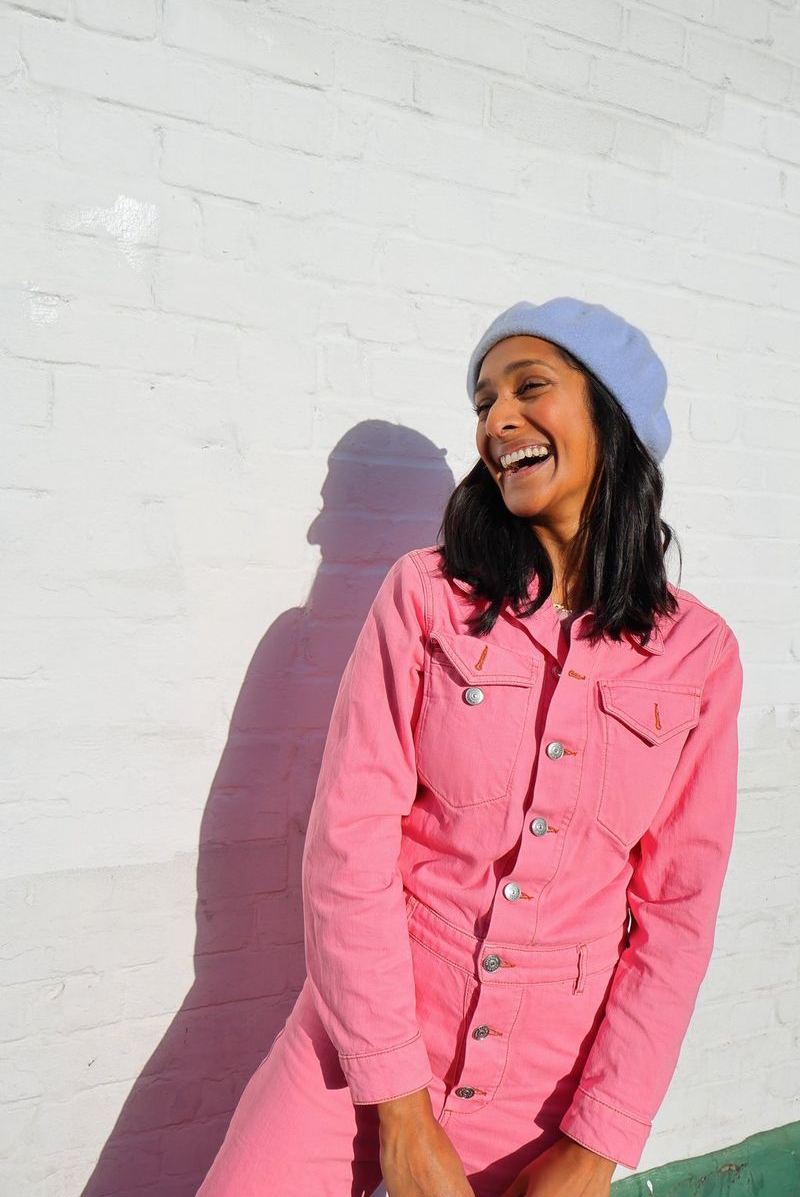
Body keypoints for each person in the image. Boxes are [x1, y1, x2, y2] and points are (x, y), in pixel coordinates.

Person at [196, 297, 744, 1197]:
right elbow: (348, 845)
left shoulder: (699, 656)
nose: (497, 422)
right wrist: (400, 1108)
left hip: (546, 1082)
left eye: (530, 388)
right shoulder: (425, 598)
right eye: (485, 403)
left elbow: (677, 917)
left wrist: (595, 1141)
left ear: (615, 416)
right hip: (364, 1032)